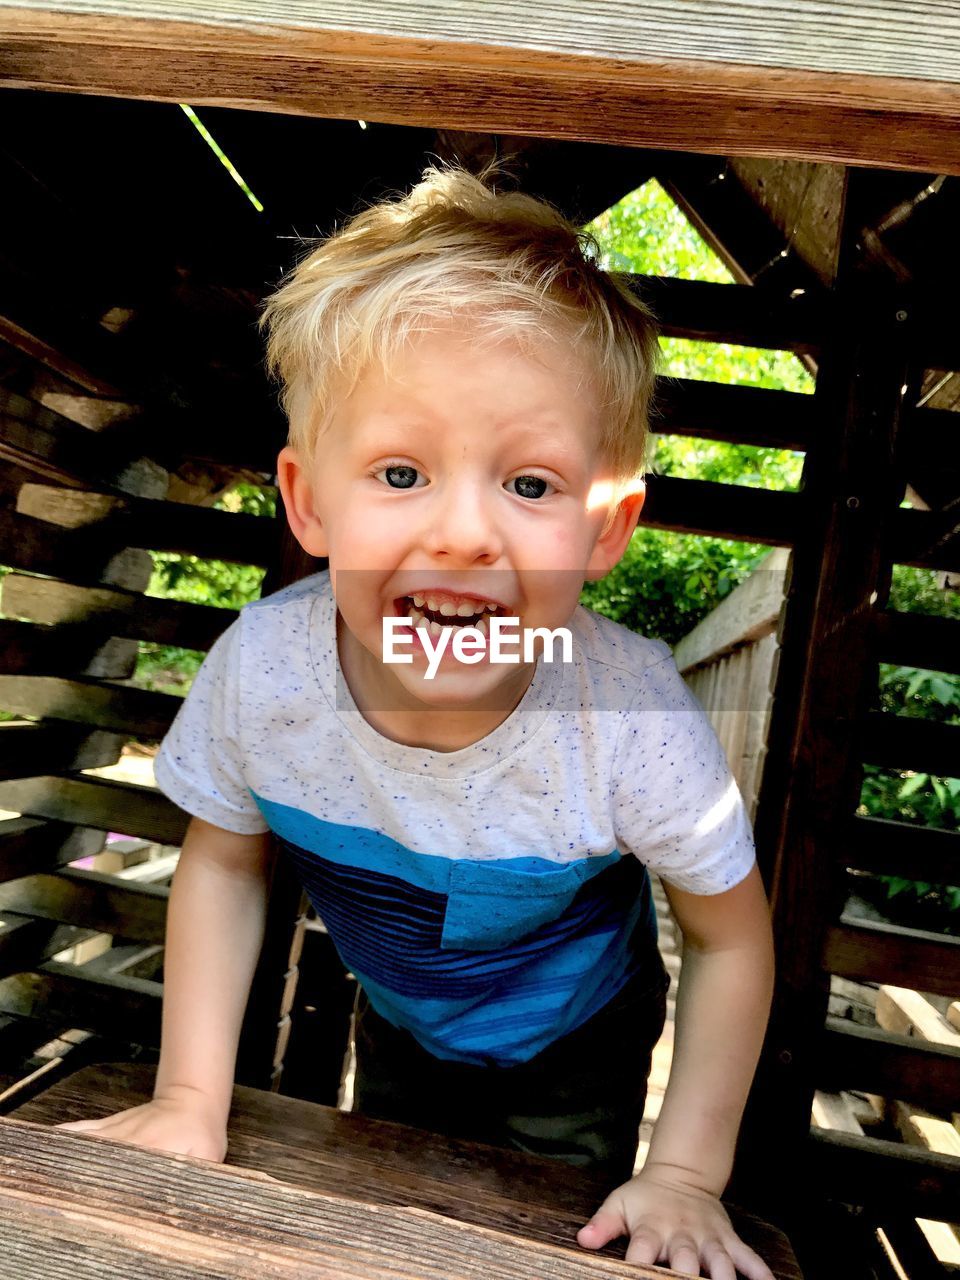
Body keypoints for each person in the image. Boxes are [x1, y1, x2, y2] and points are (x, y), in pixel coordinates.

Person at [57, 165, 776, 1280]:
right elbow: (226, 865)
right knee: (394, 1196)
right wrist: (190, 1098)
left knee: (551, 1236)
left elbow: (729, 938)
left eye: (531, 485)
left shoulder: (627, 715)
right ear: (309, 501)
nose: (462, 532)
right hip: (400, 1016)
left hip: (577, 1035)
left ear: (605, 527)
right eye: (401, 470)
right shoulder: (266, 673)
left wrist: (683, 1172)